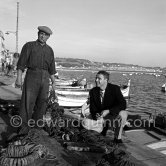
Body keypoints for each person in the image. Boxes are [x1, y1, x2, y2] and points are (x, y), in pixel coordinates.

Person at [15, 26, 56, 132]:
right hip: (32, 75)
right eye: (41, 33)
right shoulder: (29, 46)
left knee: (42, 104)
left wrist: (54, 82)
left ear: (48, 37)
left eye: (45, 35)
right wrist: (19, 79)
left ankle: (36, 129)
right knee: (27, 103)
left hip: (45, 78)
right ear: (38, 34)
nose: (42, 36)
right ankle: (23, 128)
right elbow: (21, 64)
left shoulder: (50, 50)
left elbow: (52, 69)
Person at [89, 70, 128, 143]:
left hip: (112, 114)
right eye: (96, 78)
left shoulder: (115, 89)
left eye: (99, 79)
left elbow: (123, 104)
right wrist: (96, 115)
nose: (96, 80)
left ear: (106, 80)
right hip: (100, 116)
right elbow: (92, 109)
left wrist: (109, 110)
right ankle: (102, 130)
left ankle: (117, 138)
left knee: (123, 113)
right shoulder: (93, 91)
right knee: (85, 123)